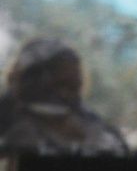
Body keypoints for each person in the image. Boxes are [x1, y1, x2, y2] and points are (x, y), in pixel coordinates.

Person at [0, 40, 129, 156]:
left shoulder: (90, 126)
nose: (67, 95)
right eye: (60, 85)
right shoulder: (10, 122)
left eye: (74, 87)